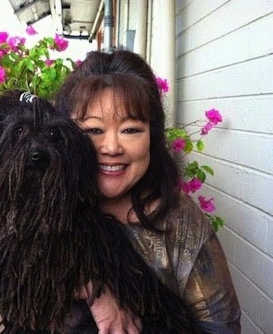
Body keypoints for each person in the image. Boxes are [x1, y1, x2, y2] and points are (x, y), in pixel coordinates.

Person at [54, 49, 241, 333]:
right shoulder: (45, 202)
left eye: (130, 130)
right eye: (93, 131)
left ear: (152, 137)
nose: (112, 147)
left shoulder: (180, 220)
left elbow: (222, 326)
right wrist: (93, 288)